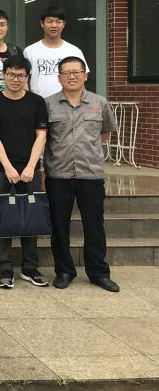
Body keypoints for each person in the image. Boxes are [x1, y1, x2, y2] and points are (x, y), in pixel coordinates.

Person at [45, 57, 119, 292]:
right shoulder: (48, 104)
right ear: (59, 78)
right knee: (59, 226)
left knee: (94, 225)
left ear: (85, 75)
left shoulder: (100, 102)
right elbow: (44, 137)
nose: (72, 76)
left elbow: (105, 132)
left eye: (76, 72)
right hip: (59, 173)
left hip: (90, 174)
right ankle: (64, 271)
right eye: (66, 73)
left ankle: (98, 272)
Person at [0, 56, 48, 290]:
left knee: (31, 216)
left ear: (27, 77)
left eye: (21, 75)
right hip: (1, 170)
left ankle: (30, 268)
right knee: (2, 218)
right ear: (3, 75)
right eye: (11, 74)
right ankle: (5, 269)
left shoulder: (37, 102)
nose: (15, 79)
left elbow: (41, 135)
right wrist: (8, 167)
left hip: (31, 169)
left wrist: (31, 166)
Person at [24, 6, 89, 99]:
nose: (54, 25)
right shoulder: (30, 51)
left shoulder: (74, 51)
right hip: (38, 103)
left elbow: (82, 79)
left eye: (58, 22)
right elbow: (24, 80)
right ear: (42, 23)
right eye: (49, 21)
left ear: (64, 24)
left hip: (67, 103)